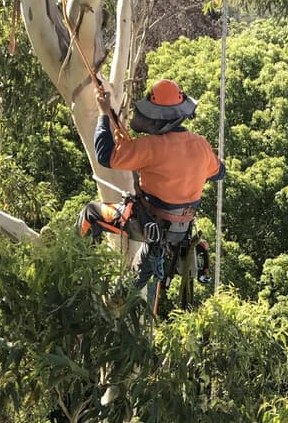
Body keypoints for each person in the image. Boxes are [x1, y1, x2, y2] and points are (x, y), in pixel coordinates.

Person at [77, 79, 225, 288]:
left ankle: (76, 265)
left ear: (156, 119)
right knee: (132, 285)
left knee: (91, 213)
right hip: (178, 232)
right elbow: (219, 172)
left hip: (145, 224)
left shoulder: (149, 147)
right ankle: (124, 293)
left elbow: (105, 155)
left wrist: (103, 114)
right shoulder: (200, 145)